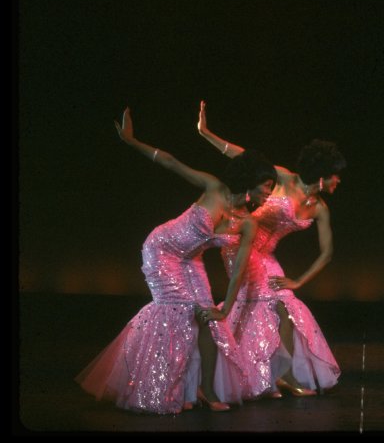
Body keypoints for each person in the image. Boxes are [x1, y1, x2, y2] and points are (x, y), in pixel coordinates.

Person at [75, 107, 276, 414]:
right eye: (266, 188)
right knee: (177, 315)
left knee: (209, 322)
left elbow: (237, 273)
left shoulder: (247, 223)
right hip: (161, 250)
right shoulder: (214, 188)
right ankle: (163, 388)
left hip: (190, 260)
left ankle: (207, 390)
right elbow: (171, 162)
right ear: (250, 183)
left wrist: (225, 309)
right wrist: (131, 141)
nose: (268, 195)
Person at [197, 100, 343, 398]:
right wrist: (205, 133)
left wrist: (299, 281)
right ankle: (245, 373)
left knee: (286, 308)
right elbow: (243, 158)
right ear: (322, 175)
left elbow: (327, 252)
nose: (339, 181)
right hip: (241, 248)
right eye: (335, 175)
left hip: (268, 257)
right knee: (268, 305)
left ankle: (276, 375)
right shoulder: (283, 178)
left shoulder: (320, 209)